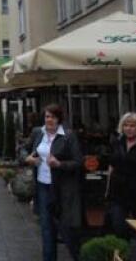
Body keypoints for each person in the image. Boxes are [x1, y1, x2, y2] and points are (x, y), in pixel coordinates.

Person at [24, 104, 82, 261]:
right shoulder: (38, 133)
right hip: (43, 186)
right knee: (46, 228)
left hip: (63, 189)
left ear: (59, 119)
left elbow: (78, 162)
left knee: (67, 229)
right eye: (47, 116)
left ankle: (78, 256)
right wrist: (27, 158)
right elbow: (23, 149)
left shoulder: (68, 136)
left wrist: (60, 164)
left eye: (53, 117)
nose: (49, 120)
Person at [106, 112, 136, 254]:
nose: (129, 128)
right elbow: (111, 166)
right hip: (118, 193)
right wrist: (107, 190)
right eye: (126, 125)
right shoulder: (117, 143)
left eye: (132, 126)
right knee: (119, 228)